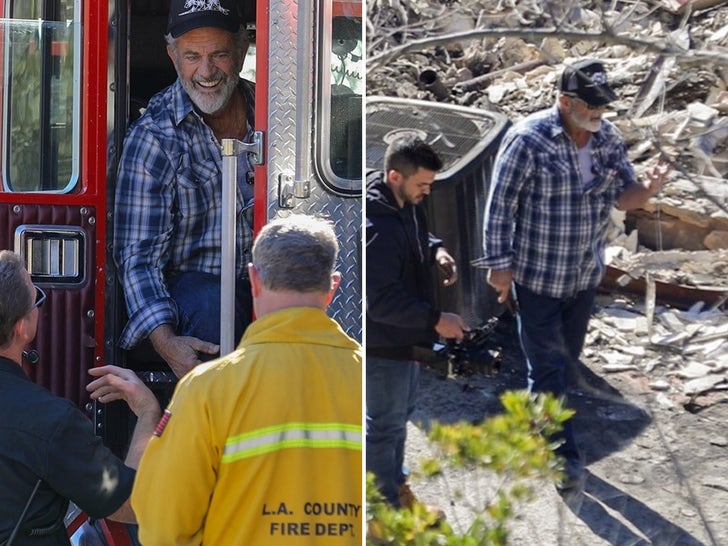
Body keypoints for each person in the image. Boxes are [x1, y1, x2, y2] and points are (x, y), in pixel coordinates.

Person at [481, 59, 671, 493]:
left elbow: (624, 197)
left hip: (584, 275)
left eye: (603, 105)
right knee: (546, 369)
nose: (599, 114)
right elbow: (499, 206)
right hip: (539, 278)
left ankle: (539, 424)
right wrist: (499, 265)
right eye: (590, 104)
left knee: (566, 364)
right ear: (564, 101)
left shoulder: (608, 140)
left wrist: (650, 190)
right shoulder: (528, 140)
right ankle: (561, 456)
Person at [131, 214, 363, 545]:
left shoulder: (206, 390)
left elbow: (163, 527)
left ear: (254, 280)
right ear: (333, 287)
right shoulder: (368, 380)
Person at [114, 0, 256, 378]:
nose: (206, 71)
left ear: (242, 52)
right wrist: (165, 342)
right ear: (173, 56)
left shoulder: (276, 116)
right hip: (196, 291)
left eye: (219, 54)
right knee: (212, 302)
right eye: (192, 56)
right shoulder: (154, 137)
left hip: (269, 282)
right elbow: (138, 257)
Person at [0, 250, 161, 544]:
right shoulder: (51, 421)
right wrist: (148, 412)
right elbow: (135, 503)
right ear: (23, 327)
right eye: (35, 298)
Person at [365, 135, 468, 509]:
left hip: (406, 339)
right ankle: (379, 510)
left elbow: (419, 234)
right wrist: (438, 319)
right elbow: (379, 302)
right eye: (422, 184)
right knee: (383, 427)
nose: (427, 191)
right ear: (395, 176)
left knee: (398, 418)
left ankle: (395, 490)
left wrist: (436, 249)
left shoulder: (406, 201)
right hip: (383, 345)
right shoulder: (377, 227)